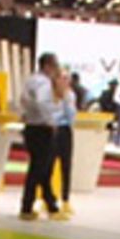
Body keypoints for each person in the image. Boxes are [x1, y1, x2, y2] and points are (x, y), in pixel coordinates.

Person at [19, 52, 63, 220]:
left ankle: (51, 203)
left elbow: (23, 100)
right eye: (54, 65)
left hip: (31, 127)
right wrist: (50, 121)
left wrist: (25, 115)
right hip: (42, 128)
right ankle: (27, 206)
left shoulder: (30, 80)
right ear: (47, 66)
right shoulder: (43, 82)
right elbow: (42, 102)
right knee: (39, 168)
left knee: (41, 167)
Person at [53, 68, 82, 218]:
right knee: (48, 166)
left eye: (67, 78)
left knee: (66, 166)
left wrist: (66, 102)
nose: (65, 81)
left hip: (65, 131)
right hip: (51, 131)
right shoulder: (49, 95)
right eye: (62, 78)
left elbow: (71, 117)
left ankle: (65, 200)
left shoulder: (70, 95)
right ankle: (47, 199)